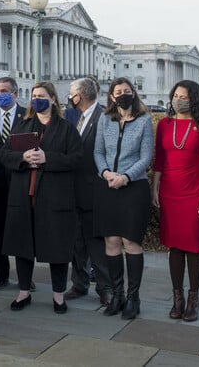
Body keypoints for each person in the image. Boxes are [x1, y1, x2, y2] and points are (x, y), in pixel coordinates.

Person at [1, 81, 82, 314]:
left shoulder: (66, 128)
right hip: (24, 195)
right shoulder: (23, 125)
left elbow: (76, 158)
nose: (37, 99)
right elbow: (4, 154)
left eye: (42, 95)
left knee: (57, 246)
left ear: (53, 99)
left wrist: (49, 158)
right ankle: (24, 291)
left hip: (54, 196)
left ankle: (58, 295)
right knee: (23, 244)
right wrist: (23, 157)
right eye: (34, 95)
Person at [151, 80, 199, 322]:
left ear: (194, 100)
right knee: (174, 246)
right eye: (175, 95)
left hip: (195, 193)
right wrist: (154, 187)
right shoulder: (165, 124)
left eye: (184, 96)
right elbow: (159, 159)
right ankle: (177, 298)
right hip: (170, 191)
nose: (179, 99)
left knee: (193, 247)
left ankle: (193, 299)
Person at [93, 77, 153, 319]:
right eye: (118, 91)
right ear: (111, 96)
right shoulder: (105, 119)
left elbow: (146, 157)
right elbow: (98, 151)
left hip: (133, 187)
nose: (123, 95)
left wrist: (125, 176)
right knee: (112, 242)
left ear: (134, 94)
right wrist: (106, 173)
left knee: (131, 241)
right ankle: (117, 295)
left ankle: (133, 297)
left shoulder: (144, 121)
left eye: (127, 91)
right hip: (108, 186)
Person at [63, 77, 109, 306]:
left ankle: (105, 288)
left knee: (95, 243)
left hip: (94, 190)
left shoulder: (103, 117)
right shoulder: (77, 117)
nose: (70, 97)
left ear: (81, 95)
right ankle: (79, 284)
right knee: (77, 242)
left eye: (72, 93)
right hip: (73, 190)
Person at [0, 76, 25, 289]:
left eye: (4, 91)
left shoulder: (26, 115)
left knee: (21, 229)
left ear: (15, 93)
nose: (0, 95)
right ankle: (1, 274)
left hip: (19, 179)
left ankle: (24, 278)